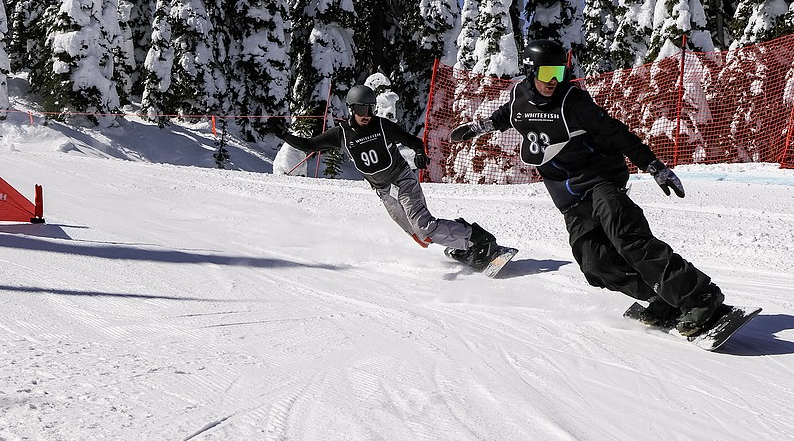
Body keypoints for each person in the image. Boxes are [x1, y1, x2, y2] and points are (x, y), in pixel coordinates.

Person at [449, 39, 725, 336]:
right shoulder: (520, 95)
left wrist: (653, 165)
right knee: (595, 264)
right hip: (568, 196)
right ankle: (661, 297)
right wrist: (478, 128)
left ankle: (700, 297)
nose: (553, 81)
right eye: (546, 74)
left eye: (559, 72)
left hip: (600, 181)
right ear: (530, 73)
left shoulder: (574, 102)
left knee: (627, 237)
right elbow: (508, 114)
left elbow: (616, 133)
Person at [279, 84, 501, 269]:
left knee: (424, 226)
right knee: (420, 237)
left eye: (370, 109)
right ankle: (463, 242)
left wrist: (420, 153)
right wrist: (282, 133)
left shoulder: (382, 126)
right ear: (351, 109)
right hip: (384, 191)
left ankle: (478, 239)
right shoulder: (341, 134)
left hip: (402, 179)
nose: (366, 116)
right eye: (361, 110)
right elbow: (309, 145)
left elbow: (413, 141)